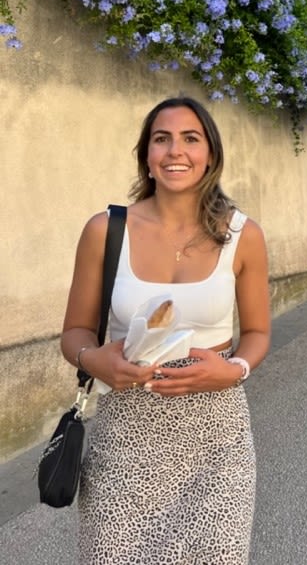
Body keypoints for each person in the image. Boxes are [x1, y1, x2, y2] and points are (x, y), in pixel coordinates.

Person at [61, 96, 271, 565]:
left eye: (190, 139)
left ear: (210, 155)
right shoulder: (106, 229)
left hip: (217, 437)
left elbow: (257, 332)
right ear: (147, 157)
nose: (176, 151)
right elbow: (74, 331)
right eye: (162, 139)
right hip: (127, 437)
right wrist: (95, 361)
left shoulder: (243, 235)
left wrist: (234, 369)